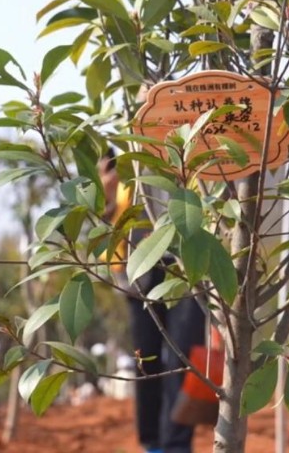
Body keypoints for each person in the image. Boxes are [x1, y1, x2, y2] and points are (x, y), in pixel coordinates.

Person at [100, 150, 206, 453]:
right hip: (139, 265)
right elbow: (105, 219)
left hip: (188, 262)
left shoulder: (194, 134)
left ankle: (176, 446)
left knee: (182, 358)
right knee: (145, 359)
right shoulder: (122, 150)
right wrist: (106, 195)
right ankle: (152, 444)